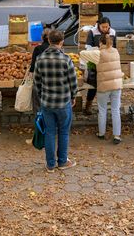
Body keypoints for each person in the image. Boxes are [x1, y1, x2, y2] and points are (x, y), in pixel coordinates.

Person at [34, 29, 78, 172]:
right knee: (63, 132)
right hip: (63, 102)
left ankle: (50, 164)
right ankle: (62, 161)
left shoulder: (40, 58)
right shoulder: (66, 59)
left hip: (47, 102)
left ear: (48, 40)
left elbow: (37, 82)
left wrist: (42, 96)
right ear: (62, 42)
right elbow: (73, 81)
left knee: (50, 132)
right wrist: (73, 96)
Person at [84, 17, 116, 114]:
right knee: (93, 86)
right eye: (103, 27)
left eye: (107, 27)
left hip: (107, 63)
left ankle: (104, 106)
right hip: (94, 62)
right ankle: (88, 105)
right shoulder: (92, 32)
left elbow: (115, 46)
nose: (105, 29)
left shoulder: (113, 32)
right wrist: (96, 50)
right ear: (99, 25)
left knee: (107, 86)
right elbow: (88, 46)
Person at [95, 33, 124, 144]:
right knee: (115, 110)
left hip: (103, 85)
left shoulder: (98, 53)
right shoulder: (116, 51)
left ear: (100, 42)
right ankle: (117, 135)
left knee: (102, 110)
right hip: (116, 84)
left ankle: (101, 133)